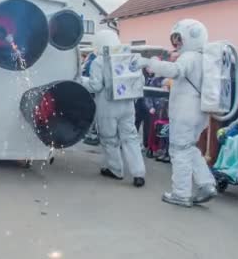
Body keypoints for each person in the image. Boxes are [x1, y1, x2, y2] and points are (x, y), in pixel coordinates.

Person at [140, 19, 217, 207]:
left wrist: (150, 63)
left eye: (179, 39)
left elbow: (175, 71)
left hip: (185, 112)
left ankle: (181, 193)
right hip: (199, 111)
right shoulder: (204, 58)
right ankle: (206, 184)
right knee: (189, 148)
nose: (177, 44)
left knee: (179, 150)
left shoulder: (189, 57)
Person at [82, 29, 146, 187]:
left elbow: (95, 86)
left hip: (107, 106)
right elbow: (140, 81)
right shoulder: (128, 57)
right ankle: (139, 173)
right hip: (128, 104)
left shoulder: (99, 61)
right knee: (131, 137)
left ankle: (115, 169)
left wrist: (80, 81)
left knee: (109, 138)